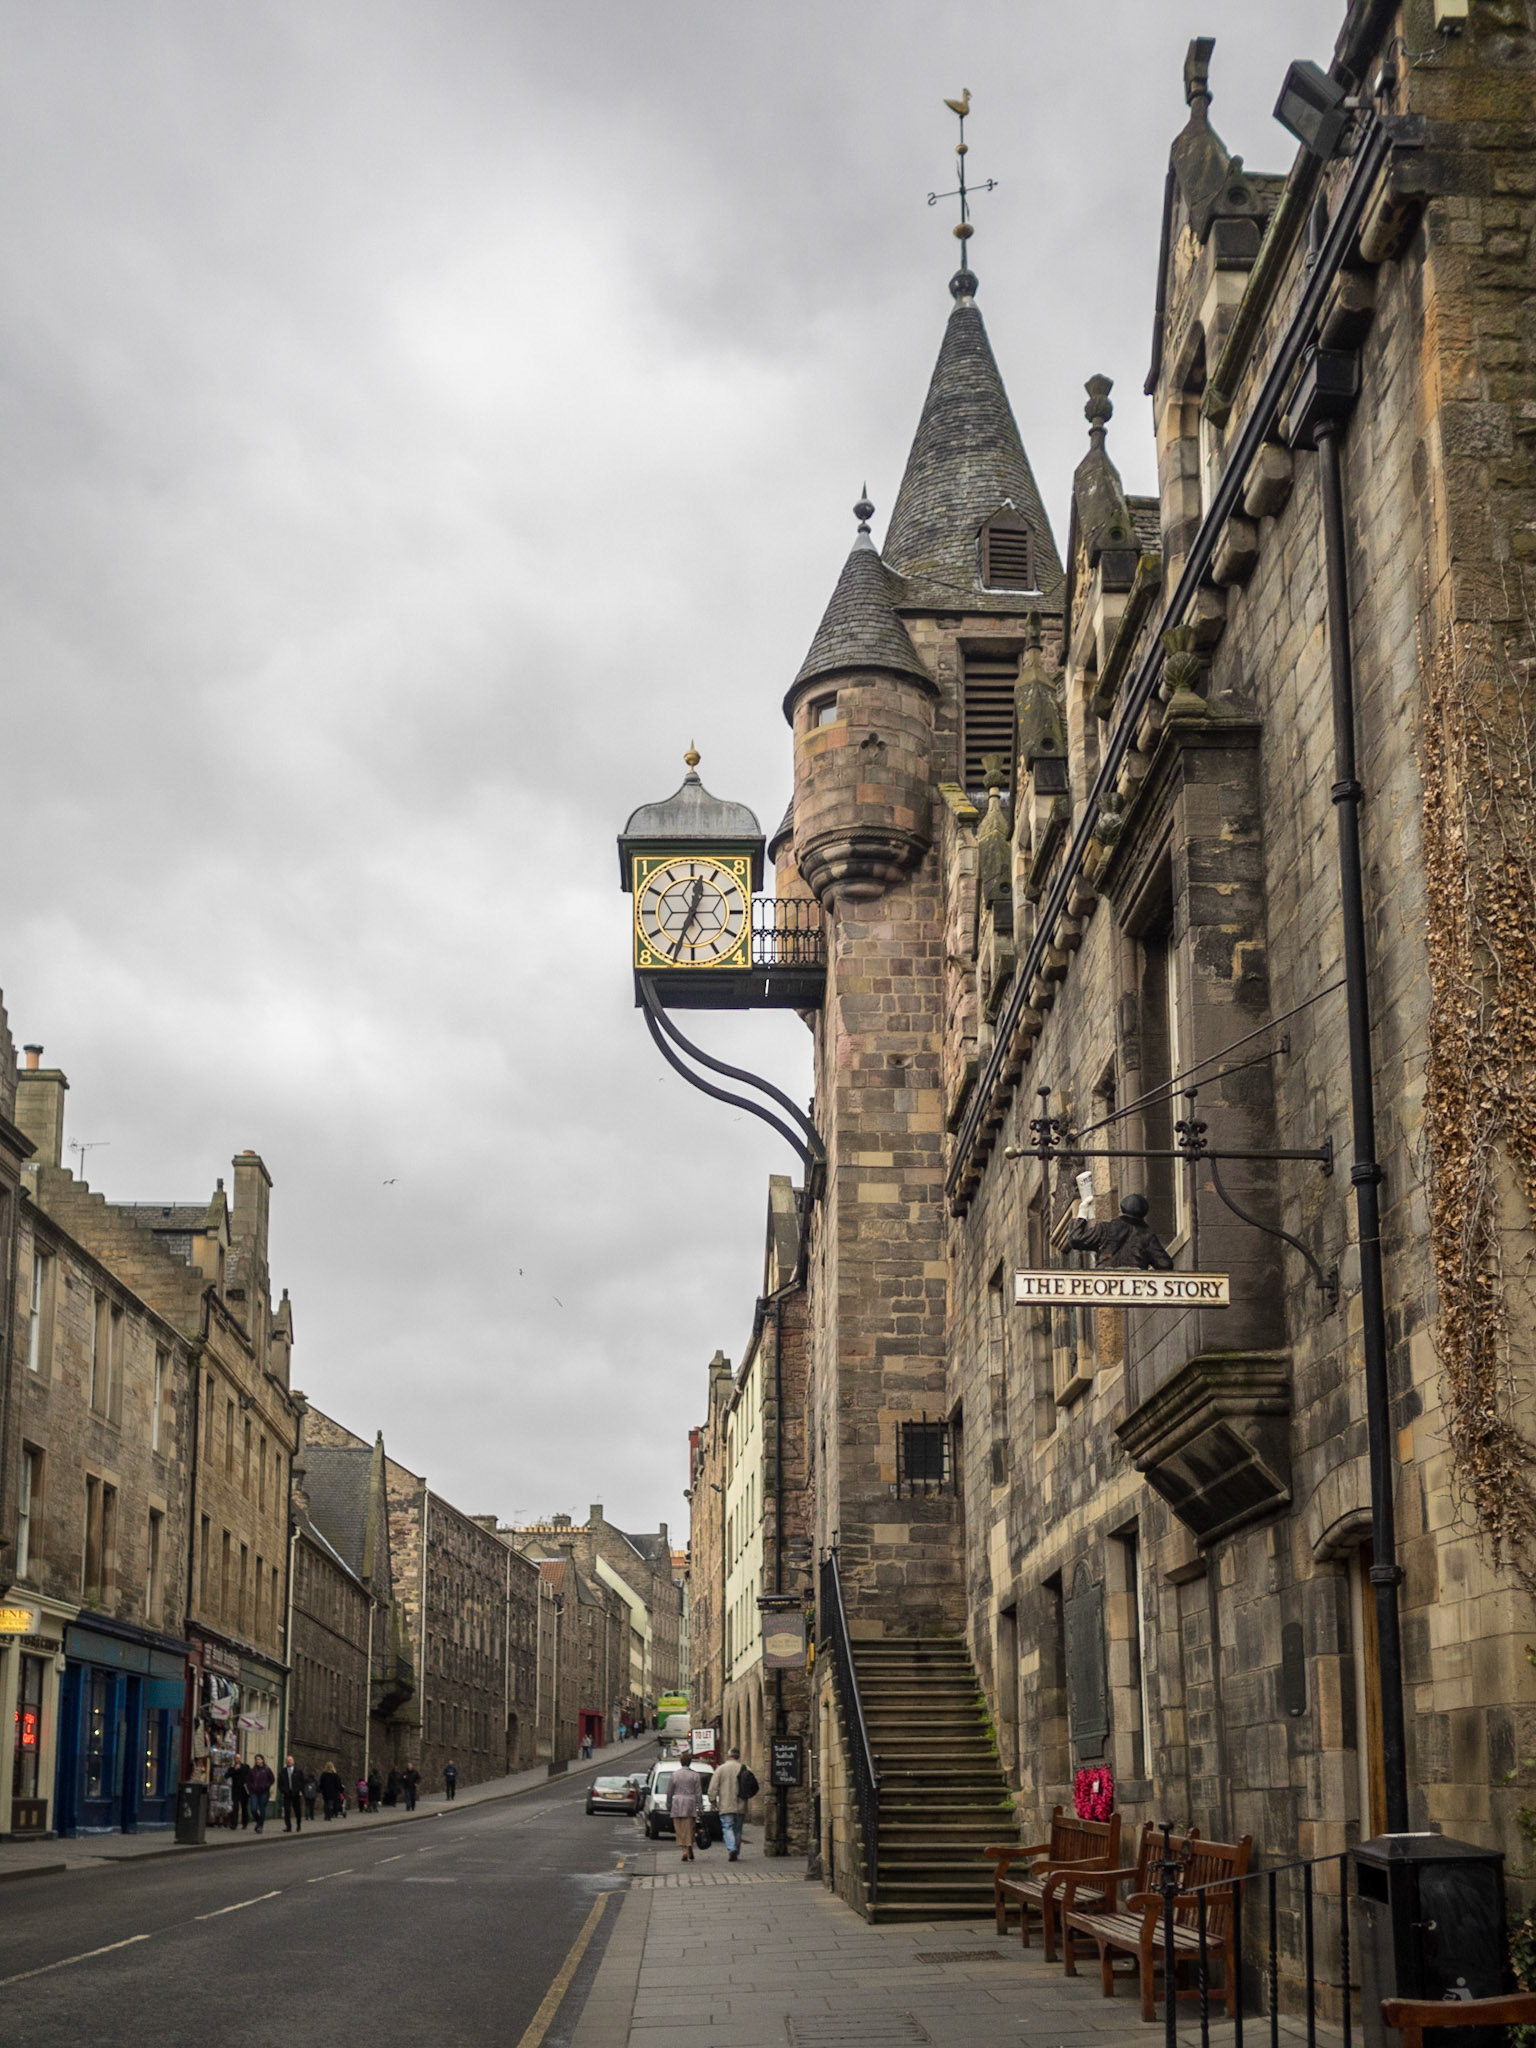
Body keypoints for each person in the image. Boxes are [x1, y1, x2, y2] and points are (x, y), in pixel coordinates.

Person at [710, 1747, 753, 1862]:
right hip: (741, 1804)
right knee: (738, 1829)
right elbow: (752, 1785)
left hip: (726, 1804)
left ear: (728, 1756)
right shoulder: (745, 1768)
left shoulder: (721, 1769)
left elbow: (713, 1787)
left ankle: (731, 1848)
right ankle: (736, 1852)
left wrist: (713, 1800)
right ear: (738, 1756)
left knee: (727, 1827)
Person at [667, 1758, 703, 1861]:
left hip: (677, 1803)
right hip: (690, 1804)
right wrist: (700, 1807)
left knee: (679, 1829)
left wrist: (669, 1805)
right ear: (690, 1762)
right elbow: (698, 1793)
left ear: (681, 1762)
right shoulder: (695, 1775)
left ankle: (684, 1850)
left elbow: (669, 1791)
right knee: (689, 1828)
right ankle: (689, 1847)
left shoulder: (675, 1775)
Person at [277, 1755, 305, 1833]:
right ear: (286, 1762)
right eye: (287, 1760)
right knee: (287, 1811)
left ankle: (298, 1825)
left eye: (290, 1760)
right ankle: (288, 1826)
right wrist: (283, 1791)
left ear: (293, 1761)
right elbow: (280, 1783)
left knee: (297, 1811)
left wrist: (300, 1791)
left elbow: (302, 1782)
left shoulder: (298, 1771)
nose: (289, 1761)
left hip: (296, 1794)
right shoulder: (283, 1771)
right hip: (287, 1794)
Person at [249, 1755, 275, 1833]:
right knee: (253, 1809)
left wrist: (266, 1786)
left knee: (262, 1808)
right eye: (256, 1759)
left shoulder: (267, 1769)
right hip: (254, 1792)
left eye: (259, 1759)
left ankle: (260, 1826)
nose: (257, 1761)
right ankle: (258, 1821)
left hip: (264, 1792)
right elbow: (248, 1780)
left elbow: (272, 1779)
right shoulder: (253, 1770)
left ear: (262, 1760)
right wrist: (251, 1787)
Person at [229, 1756, 251, 1830]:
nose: (237, 1760)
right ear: (234, 1759)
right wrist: (235, 1770)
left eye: (238, 1758)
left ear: (241, 1759)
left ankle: (245, 1823)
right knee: (235, 1807)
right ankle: (234, 1824)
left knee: (244, 1807)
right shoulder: (232, 1768)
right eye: (236, 1758)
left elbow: (250, 1775)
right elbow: (227, 1775)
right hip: (235, 1790)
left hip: (244, 1790)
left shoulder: (245, 1766)